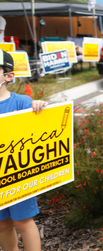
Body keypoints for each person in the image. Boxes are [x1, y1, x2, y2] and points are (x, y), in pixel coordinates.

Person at [0, 50, 47, 251]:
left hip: (18, 174)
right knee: (2, 224)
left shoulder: (21, 102)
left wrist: (38, 107)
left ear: (8, 76)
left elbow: (39, 130)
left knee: (23, 221)